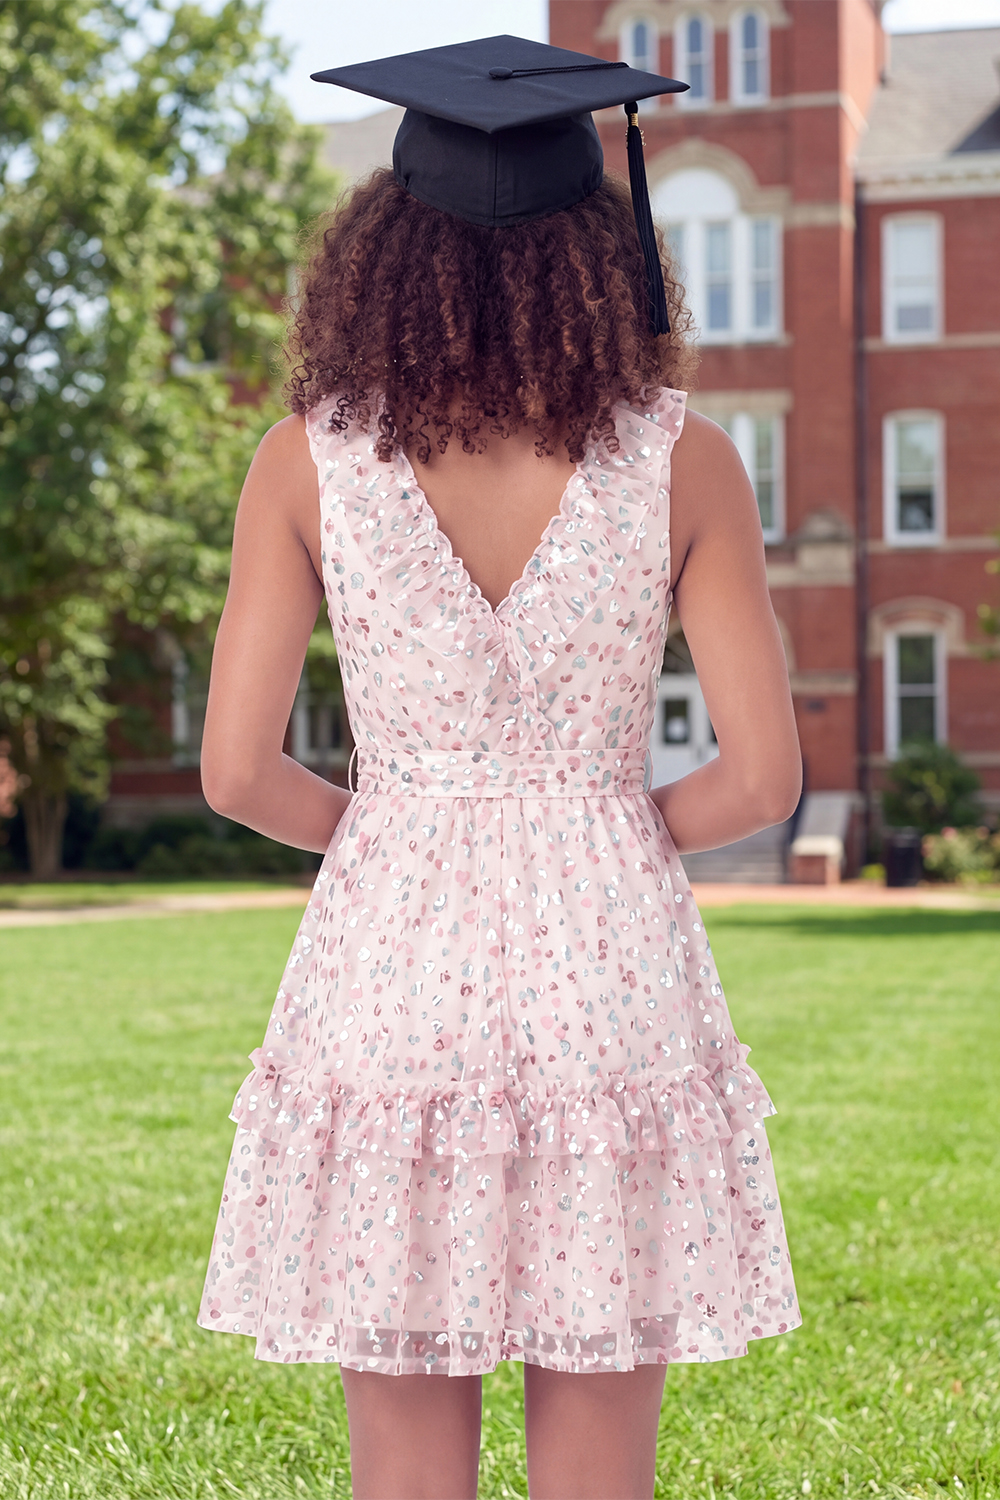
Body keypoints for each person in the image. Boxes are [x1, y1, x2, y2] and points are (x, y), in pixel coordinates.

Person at [195, 34, 803, 1500]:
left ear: (382, 254)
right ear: (603, 255)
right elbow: (764, 776)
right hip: (611, 965)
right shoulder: (687, 459)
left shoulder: (306, 460)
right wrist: (615, 827)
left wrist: (393, 829)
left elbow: (232, 771)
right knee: (602, 1456)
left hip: (392, 957)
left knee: (406, 1466)